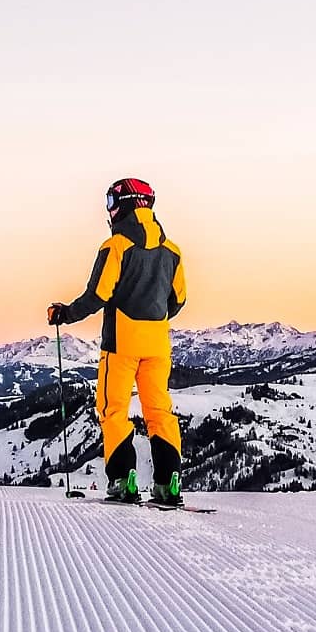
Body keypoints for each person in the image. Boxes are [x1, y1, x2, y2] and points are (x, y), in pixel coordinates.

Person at [48, 177, 188, 505]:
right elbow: (178, 300)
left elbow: (97, 295)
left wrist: (64, 314)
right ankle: (169, 486)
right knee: (159, 411)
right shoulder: (172, 251)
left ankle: (124, 482)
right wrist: (153, 311)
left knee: (113, 410)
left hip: (121, 344)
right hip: (157, 344)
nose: (109, 210)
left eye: (112, 201)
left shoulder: (115, 247)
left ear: (123, 204)